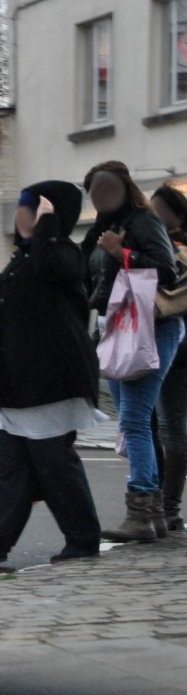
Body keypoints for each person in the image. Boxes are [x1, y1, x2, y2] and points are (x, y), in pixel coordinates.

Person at [0, 181, 104, 566]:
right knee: (5, 466)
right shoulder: (22, 258)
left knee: (54, 465)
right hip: (14, 385)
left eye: (29, 208)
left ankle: (83, 538)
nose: (20, 216)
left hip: (49, 383)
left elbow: (50, 266)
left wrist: (49, 225)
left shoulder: (63, 254)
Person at [80, 161, 183, 542]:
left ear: (125, 187)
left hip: (151, 328)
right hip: (116, 329)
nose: (102, 195)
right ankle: (153, 514)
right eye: (95, 190)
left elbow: (167, 271)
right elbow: (86, 273)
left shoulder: (142, 222)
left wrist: (123, 253)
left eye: (109, 187)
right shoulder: (99, 228)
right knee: (135, 419)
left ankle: (141, 510)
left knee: (136, 421)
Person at [151, 183, 187, 532]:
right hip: (164, 346)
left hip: (178, 350)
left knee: (172, 426)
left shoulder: (177, 249)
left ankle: (169, 507)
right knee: (159, 426)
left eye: (158, 209)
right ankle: (162, 504)